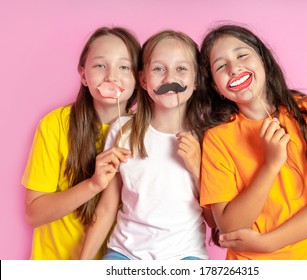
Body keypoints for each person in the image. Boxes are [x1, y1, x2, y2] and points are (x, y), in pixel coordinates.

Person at [198, 23, 307, 260]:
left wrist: (268, 243)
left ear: (263, 60)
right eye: (221, 66)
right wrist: (271, 164)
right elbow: (229, 225)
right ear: (216, 87)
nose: (234, 68)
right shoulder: (217, 138)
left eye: (242, 55)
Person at [80, 30, 214, 260]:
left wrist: (196, 168)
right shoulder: (123, 130)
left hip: (185, 257)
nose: (169, 78)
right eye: (158, 69)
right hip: (125, 254)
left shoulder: (208, 138)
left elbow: (214, 220)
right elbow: (107, 207)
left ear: (196, 81)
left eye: (181, 68)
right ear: (143, 80)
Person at [21, 26, 141, 259]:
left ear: (139, 79)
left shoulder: (146, 134)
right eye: (99, 65)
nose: (111, 76)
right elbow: (34, 214)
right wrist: (93, 185)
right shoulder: (56, 124)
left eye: (124, 67)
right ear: (84, 75)